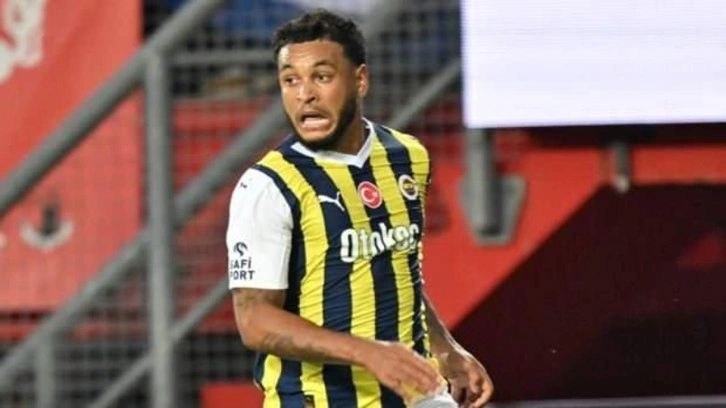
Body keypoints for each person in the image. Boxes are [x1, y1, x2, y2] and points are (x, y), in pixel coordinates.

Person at [226, 9, 493, 407]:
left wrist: (444, 347)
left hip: (414, 393)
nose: (304, 94)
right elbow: (254, 321)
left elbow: (397, 270)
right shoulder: (268, 186)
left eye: (321, 77)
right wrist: (368, 352)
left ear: (360, 80)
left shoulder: (408, 156)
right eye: (290, 80)